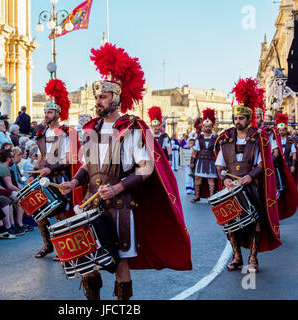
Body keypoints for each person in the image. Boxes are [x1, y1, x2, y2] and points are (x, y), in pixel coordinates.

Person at [61, 43, 192, 300]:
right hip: (91, 203)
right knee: (89, 261)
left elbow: (146, 168)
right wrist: (74, 181)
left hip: (119, 204)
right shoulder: (92, 129)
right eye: (96, 97)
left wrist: (117, 188)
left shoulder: (130, 128)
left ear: (116, 99)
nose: (97, 101)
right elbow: (88, 164)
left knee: (120, 262)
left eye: (103, 97)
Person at [215, 77, 282, 273]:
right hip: (231, 188)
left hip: (251, 186)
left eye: (241, 118)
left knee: (255, 223)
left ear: (248, 118)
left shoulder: (258, 138)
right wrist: (225, 178)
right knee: (231, 224)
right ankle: (237, 256)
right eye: (235, 118)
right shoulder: (226, 139)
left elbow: (264, 163)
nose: (238, 121)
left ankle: (253, 258)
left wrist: (251, 176)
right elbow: (219, 165)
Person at [30, 78, 84, 260]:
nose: (46, 115)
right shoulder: (42, 134)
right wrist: (35, 172)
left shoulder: (66, 133)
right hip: (43, 178)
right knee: (40, 214)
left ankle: (65, 248)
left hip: (59, 179)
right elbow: (40, 157)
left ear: (57, 113)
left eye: (50, 112)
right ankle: (48, 245)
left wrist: (50, 169)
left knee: (61, 214)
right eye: (45, 112)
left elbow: (69, 159)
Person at [255, 108, 298, 220]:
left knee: (274, 194)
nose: (281, 131)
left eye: (258, 116)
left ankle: (273, 217)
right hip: (250, 171)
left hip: (270, 168)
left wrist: (266, 163)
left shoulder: (270, 133)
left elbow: (277, 153)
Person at [189, 109, 218, 203]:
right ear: (202, 127)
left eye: (209, 126)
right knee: (197, 179)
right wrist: (192, 162)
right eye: (205, 126)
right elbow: (194, 151)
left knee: (211, 180)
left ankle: (212, 197)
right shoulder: (199, 138)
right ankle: (197, 196)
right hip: (200, 161)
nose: (207, 128)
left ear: (212, 127)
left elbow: (217, 153)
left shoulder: (215, 139)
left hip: (211, 161)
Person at [275, 113, 298, 179]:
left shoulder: (290, 140)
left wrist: (293, 165)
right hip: (278, 165)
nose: (281, 132)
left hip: (288, 165)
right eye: (280, 130)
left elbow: (294, 153)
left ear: (285, 130)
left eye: (283, 130)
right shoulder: (276, 140)